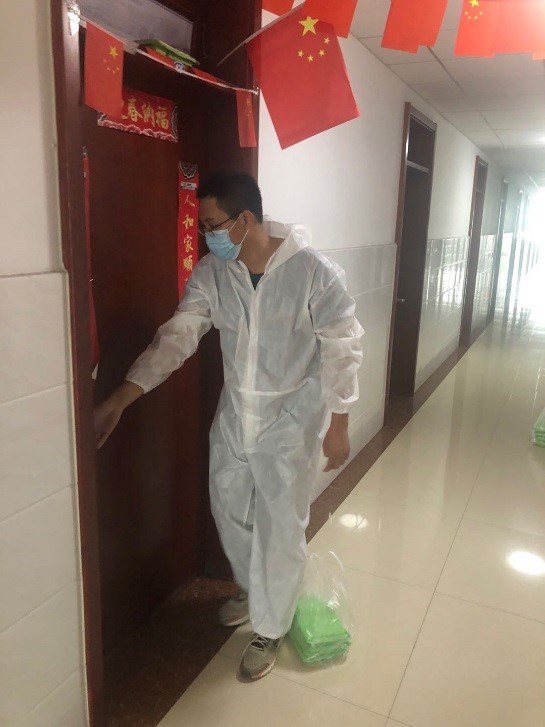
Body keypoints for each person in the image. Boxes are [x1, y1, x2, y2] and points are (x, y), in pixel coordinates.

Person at [94, 170, 364, 682]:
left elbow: (342, 348)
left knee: (281, 525)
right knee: (229, 508)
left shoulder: (313, 272)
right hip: (237, 414)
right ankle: (257, 590)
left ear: (245, 219)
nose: (206, 235)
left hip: (291, 419)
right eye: (202, 227)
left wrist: (339, 422)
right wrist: (122, 398)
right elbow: (179, 335)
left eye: (213, 224)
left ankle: (271, 626)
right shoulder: (214, 274)